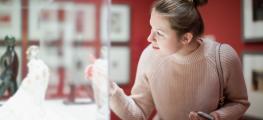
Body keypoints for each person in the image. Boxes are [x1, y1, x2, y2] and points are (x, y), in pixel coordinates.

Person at [85, 0, 250, 119]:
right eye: (151, 27)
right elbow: (138, 114)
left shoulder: (223, 56)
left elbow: (240, 103)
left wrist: (215, 117)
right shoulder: (149, 55)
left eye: (159, 33)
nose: (150, 38)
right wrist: (109, 88)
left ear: (185, 38)